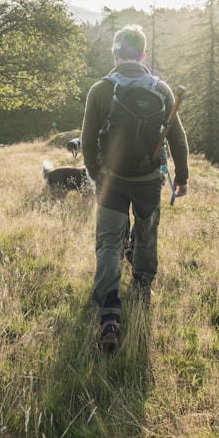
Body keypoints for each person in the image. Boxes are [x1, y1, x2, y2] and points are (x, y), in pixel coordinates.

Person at [80, 24, 189, 353]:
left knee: (110, 244)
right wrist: (181, 177)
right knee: (145, 235)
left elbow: (87, 140)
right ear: (142, 55)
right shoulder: (163, 89)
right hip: (147, 182)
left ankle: (110, 315)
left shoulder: (100, 89)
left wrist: (95, 172)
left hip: (112, 182)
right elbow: (178, 138)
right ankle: (142, 288)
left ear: (115, 53)